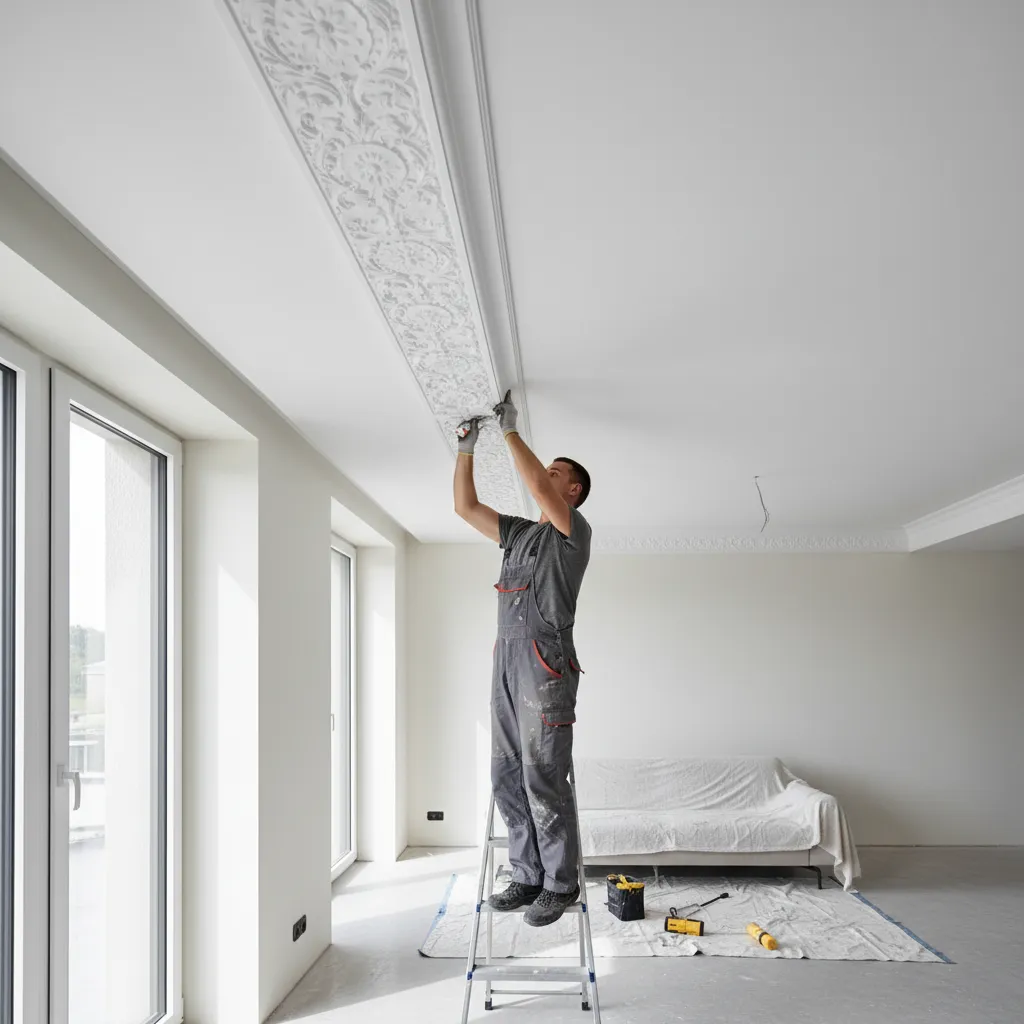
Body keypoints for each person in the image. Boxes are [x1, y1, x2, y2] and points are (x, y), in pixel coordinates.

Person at [453, 391, 592, 927]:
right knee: (506, 774)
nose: (545, 474)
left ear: (572, 490)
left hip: (546, 666)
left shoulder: (571, 533)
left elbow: (534, 483)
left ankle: (560, 883)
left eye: (556, 471)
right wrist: (466, 449)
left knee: (544, 776)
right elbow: (464, 509)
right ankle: (526, 874)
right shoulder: (517, 534)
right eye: (548, 470)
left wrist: (509, 430)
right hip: (506, 665)